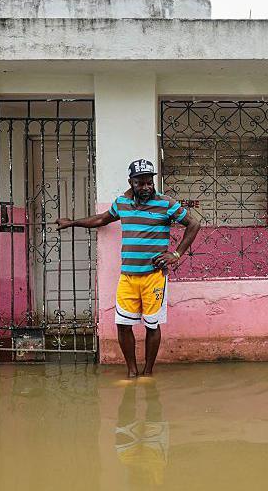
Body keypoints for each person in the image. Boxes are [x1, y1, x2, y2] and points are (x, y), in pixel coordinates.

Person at [57, 159, 201, 377]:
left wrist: (176, 254)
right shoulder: (122, 203)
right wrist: (72, 223)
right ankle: (132, 372)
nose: (146, 187)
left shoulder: (166, 203)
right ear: (131, 183)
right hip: (128, 277)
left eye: (149, 182)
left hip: (154, 277)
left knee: (152, 326)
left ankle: (148, 372)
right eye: (140, 183)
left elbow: (194, 224)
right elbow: (102, 219)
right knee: (123, 325)